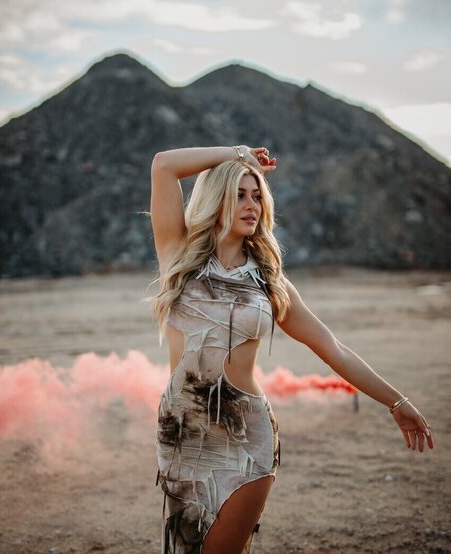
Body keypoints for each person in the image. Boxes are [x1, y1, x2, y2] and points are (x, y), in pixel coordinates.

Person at [148, 145, 434, 554]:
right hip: (182, 433)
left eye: (257, 196)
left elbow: (332, 348)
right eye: (240, 195)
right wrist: (239, 153)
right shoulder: (178, 257)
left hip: (246, 436)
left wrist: (396, 401)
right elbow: (164, 165)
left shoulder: (268, 280)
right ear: (217, 198)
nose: (252, 205)